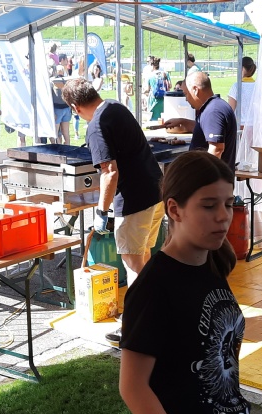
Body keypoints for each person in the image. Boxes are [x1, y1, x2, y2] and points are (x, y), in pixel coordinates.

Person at [119, 150, 259, 414]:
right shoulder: (153, 287)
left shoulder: (213, 262)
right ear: (175, 209)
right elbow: (132, 387)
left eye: (228, 203)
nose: (224, 216)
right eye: (209, 205)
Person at [62, 78, 165, 345]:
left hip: (135, 201)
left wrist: (101, 211)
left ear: (74, 108)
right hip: (156, 193)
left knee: (133, 264)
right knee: (141, 257)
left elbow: (109, 171)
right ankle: (152, 318)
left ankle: (139, 326)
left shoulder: (96, 126)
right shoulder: (115, 107)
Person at [163, 72, 237, 171]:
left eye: (186, 94)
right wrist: (182, 122)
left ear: (195, 90)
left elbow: (216, 149)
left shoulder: (213, 111)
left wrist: (201, 177)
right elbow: (205, 129)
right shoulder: (216, 106)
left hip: (211, 183)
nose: (186, 99)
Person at [228, 56, 257, 131]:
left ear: (242, 68)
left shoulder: (236, 86)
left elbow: (230, 110)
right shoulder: (258, 86)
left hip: (240, 127)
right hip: (256, 126)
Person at [50, 65, 71, 144]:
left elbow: (50, 97)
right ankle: (68, 150)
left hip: (57, 109)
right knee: (66, 133)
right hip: (67, 108)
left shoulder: (53, 81)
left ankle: (58, 151)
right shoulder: (67, 81)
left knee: (54, 134)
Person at [146, 57, 169, 121]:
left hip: (153, 98)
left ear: (152, 65)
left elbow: (148, 89)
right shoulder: (165, 74)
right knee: (162, 117)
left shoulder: (150, 75)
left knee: (152, 117)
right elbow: (169, 85)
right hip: (164, 97)